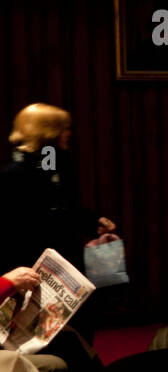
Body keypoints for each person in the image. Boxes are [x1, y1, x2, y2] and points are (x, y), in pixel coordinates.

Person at [0, 104, 116, 337]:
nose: (68, 133)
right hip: (34, 265)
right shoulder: (14, 174)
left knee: (81, 326)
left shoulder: (57, 163)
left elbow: (66, 207)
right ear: (46, 131)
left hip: (67, 261)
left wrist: (93, 221)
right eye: (62, 128)